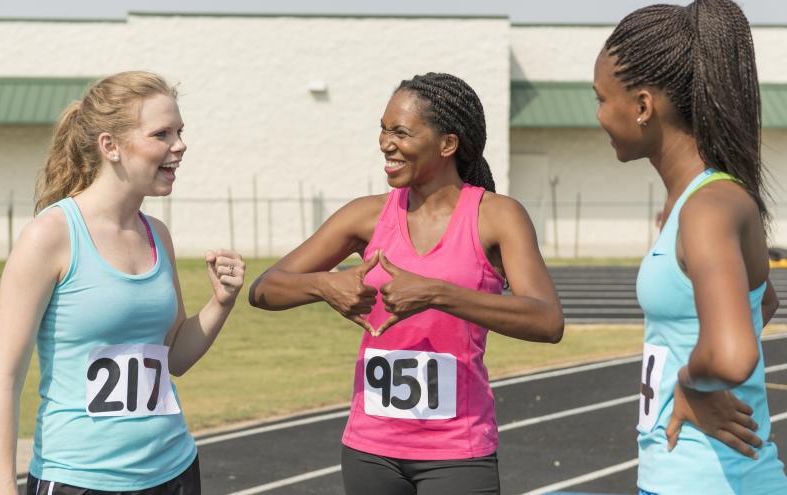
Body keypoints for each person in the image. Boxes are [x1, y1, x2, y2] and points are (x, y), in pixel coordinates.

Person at [249, 72, 563, 495]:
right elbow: (265, 289)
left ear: (447, 144)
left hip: (456, 453)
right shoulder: (365, 215)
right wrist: (326, 285)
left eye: (400, 132)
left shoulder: (497, 216)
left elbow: (547, 321)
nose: (385, 143)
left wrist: (436, 292)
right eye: (382, 128)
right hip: (369, 450)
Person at [0, 71, 245, 494]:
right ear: (111, 146)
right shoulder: (50, 236)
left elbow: (173, 356)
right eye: (161, 133)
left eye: (180, 131)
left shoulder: (157, 234)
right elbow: (3, 379)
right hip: (78, 479)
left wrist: (221, 303)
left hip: (173, 470)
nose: (179, 145)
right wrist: (1, 489)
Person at [593, 1, 787, 493]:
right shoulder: (697, 200)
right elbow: (762, 300)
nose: (597, 115)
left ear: (642, 106)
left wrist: (690, 381)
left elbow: (729, 354)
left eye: (600, 98)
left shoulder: (706, 207)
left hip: (707, 481)